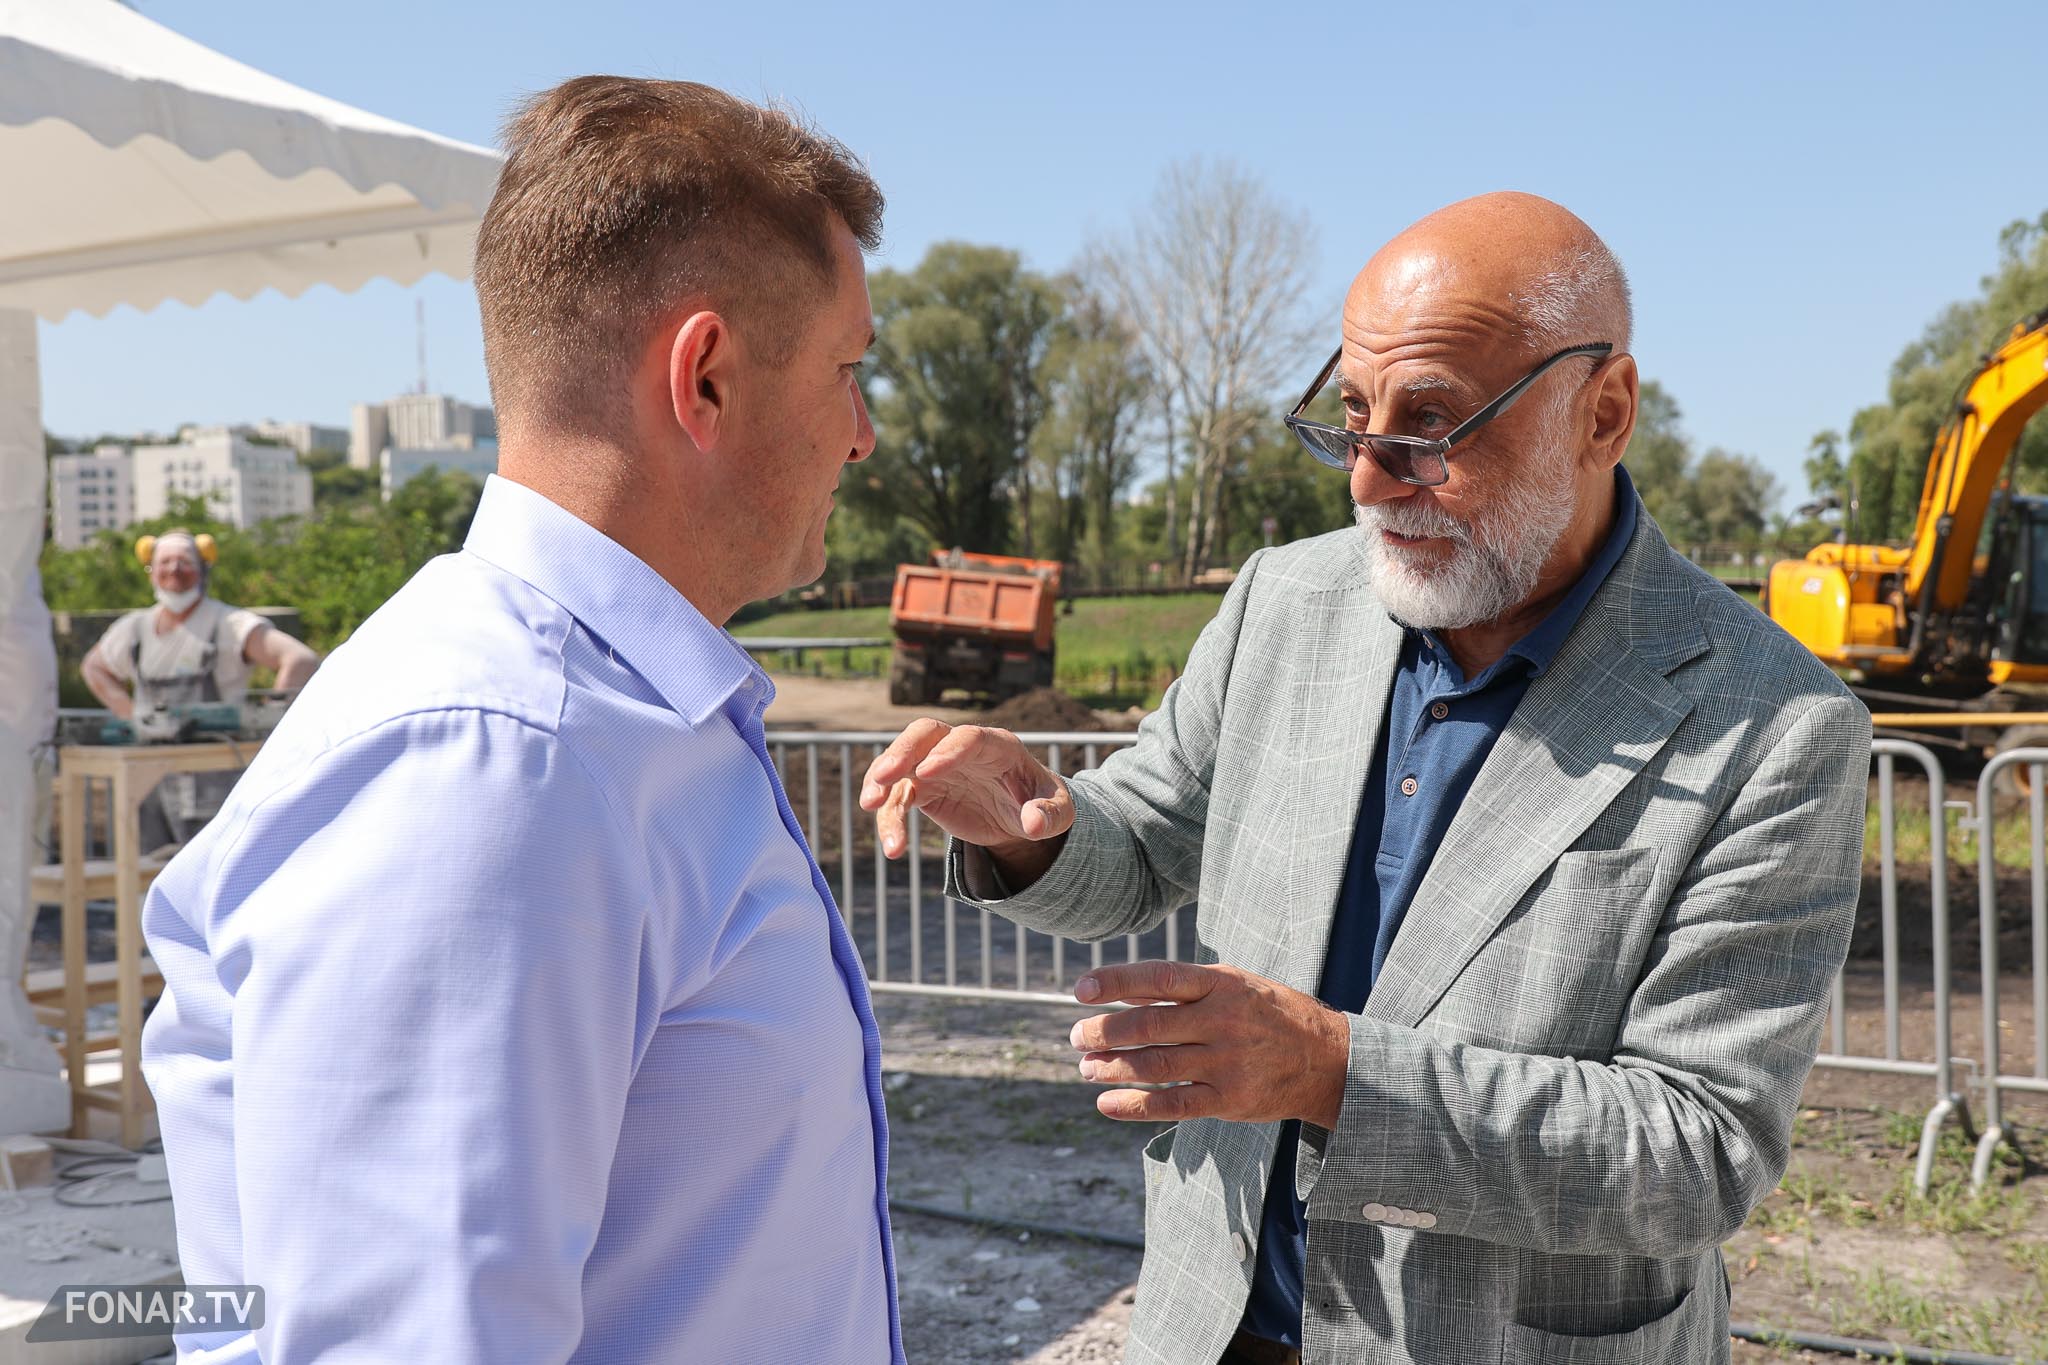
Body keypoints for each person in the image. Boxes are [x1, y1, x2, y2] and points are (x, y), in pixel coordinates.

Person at [863, 192, 1870, 1365]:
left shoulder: (1772, 725)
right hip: (1213, 1327)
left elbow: (1694, 1152)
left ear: (1601, 412)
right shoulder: (1283, 602)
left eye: (1430, 423)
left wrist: (1328, 1071)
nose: (1367, 481)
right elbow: (1137, 847)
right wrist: (1029, 826)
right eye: (1350, 416)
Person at [141, 78, 899, 1363]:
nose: (861, 435)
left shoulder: (593, 725)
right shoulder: (496, 762)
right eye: (846, 370)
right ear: (706, 378)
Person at [81, 530, 319, 845]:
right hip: (148, 778)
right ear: (150, 570)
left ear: (204, 569)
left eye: (185, 562)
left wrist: (268, 723)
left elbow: (300, 659)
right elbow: (94, 668)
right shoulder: (135, 628)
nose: (174, 570)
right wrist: (130, 715)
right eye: (165, 562)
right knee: (147, 863)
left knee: (214, 860)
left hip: (214, 774)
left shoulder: (227, 623)